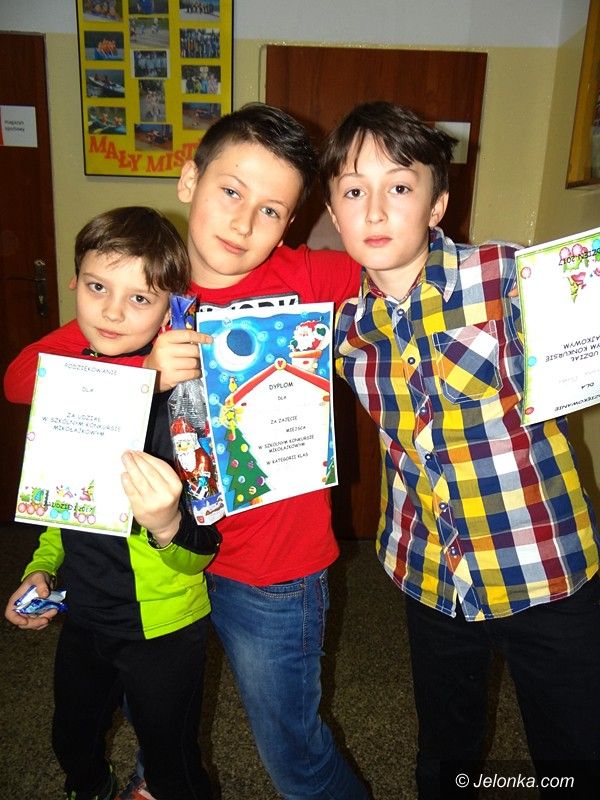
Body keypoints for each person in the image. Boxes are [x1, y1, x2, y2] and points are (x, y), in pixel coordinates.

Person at [5, 108, 368, 800]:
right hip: (163, 572)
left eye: (270, 210)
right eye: (230, 191)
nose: (243, 222)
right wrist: (140, 370)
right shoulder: (145, 289)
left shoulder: (309, 276)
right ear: (189, 181)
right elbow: (24, 380)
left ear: (289, 223)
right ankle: (154, 776)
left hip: (270, 569)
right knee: (162, 713)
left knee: (291, 753)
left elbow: (396, 267)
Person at [321, 101, 600, 798]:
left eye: (400, 187)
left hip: (542, 568)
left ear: (437, 205)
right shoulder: (346, 330)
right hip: (431, 574)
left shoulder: (505, 275)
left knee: (575, 754)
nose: (375, 210)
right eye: (353, 191)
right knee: (446, 756)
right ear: (333, 211)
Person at [4, 206, 220, 800]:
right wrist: (41, 570)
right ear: (74, 282)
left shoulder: (187, 407)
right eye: (98, 288)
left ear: (172, 310)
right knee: (71, 738)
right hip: (85, 614)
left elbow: (201, 552)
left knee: (172, 761)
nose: (113, 312)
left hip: (162, 627)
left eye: (140, 298)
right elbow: (62, 505)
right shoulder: (70, 385)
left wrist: (167, 523)